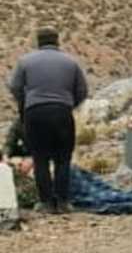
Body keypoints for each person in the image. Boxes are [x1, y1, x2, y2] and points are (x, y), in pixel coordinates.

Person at [7, 27, 88, 214]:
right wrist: (68, 104)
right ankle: (63, 202)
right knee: (63, 158)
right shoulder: (71, 62)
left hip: (35, 113)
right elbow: (82, 91)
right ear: (57, 40)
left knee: (40, 158)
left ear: (39, 41)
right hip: (62, 112)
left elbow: (15, 87)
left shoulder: (25, 61)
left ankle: (45, 203)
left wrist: (25, 105)